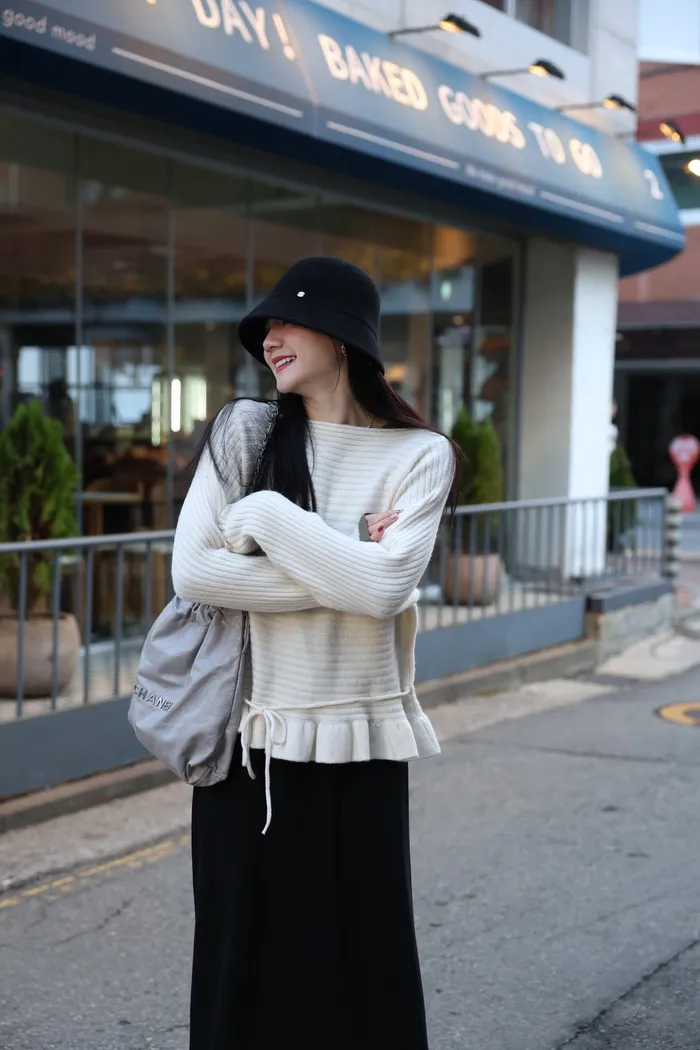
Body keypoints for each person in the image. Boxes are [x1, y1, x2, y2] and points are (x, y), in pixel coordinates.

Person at [171, 256, 458, 1050]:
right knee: (244, 974)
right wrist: (346, 563)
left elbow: (385, 588)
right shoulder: (245, 431)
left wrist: (266, 516)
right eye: (266, 326)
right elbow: (195, 572)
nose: (270, 337)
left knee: (360, 977)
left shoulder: (420, 454)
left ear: (343, 336)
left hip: (364, 748)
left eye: (288, 320)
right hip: (250, 752)